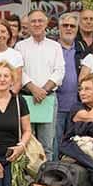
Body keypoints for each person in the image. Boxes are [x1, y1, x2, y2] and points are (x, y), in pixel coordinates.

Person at [17, 9, 65, 153]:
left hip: (47, 98)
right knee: (27, 143)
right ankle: (27, 176)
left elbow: (60, 71)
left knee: (47, 145)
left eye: (40, 21)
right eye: (33, 21)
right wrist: (34, 89)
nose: (37, 24)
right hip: (27, 98)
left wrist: (43, 91)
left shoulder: (55, 46)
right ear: (28, 25)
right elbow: (19, 71)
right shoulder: (20, 46)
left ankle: (45, 176)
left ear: (46, 23)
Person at [54, 12, 82, 159]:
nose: (69, 29)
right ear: (59, 28)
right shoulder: (52, 48)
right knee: (55, 144)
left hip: (76, 107)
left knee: (75, 145)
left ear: (77, 29)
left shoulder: (82, 50)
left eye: (72, 26)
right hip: (55, 105)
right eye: (65, 25)